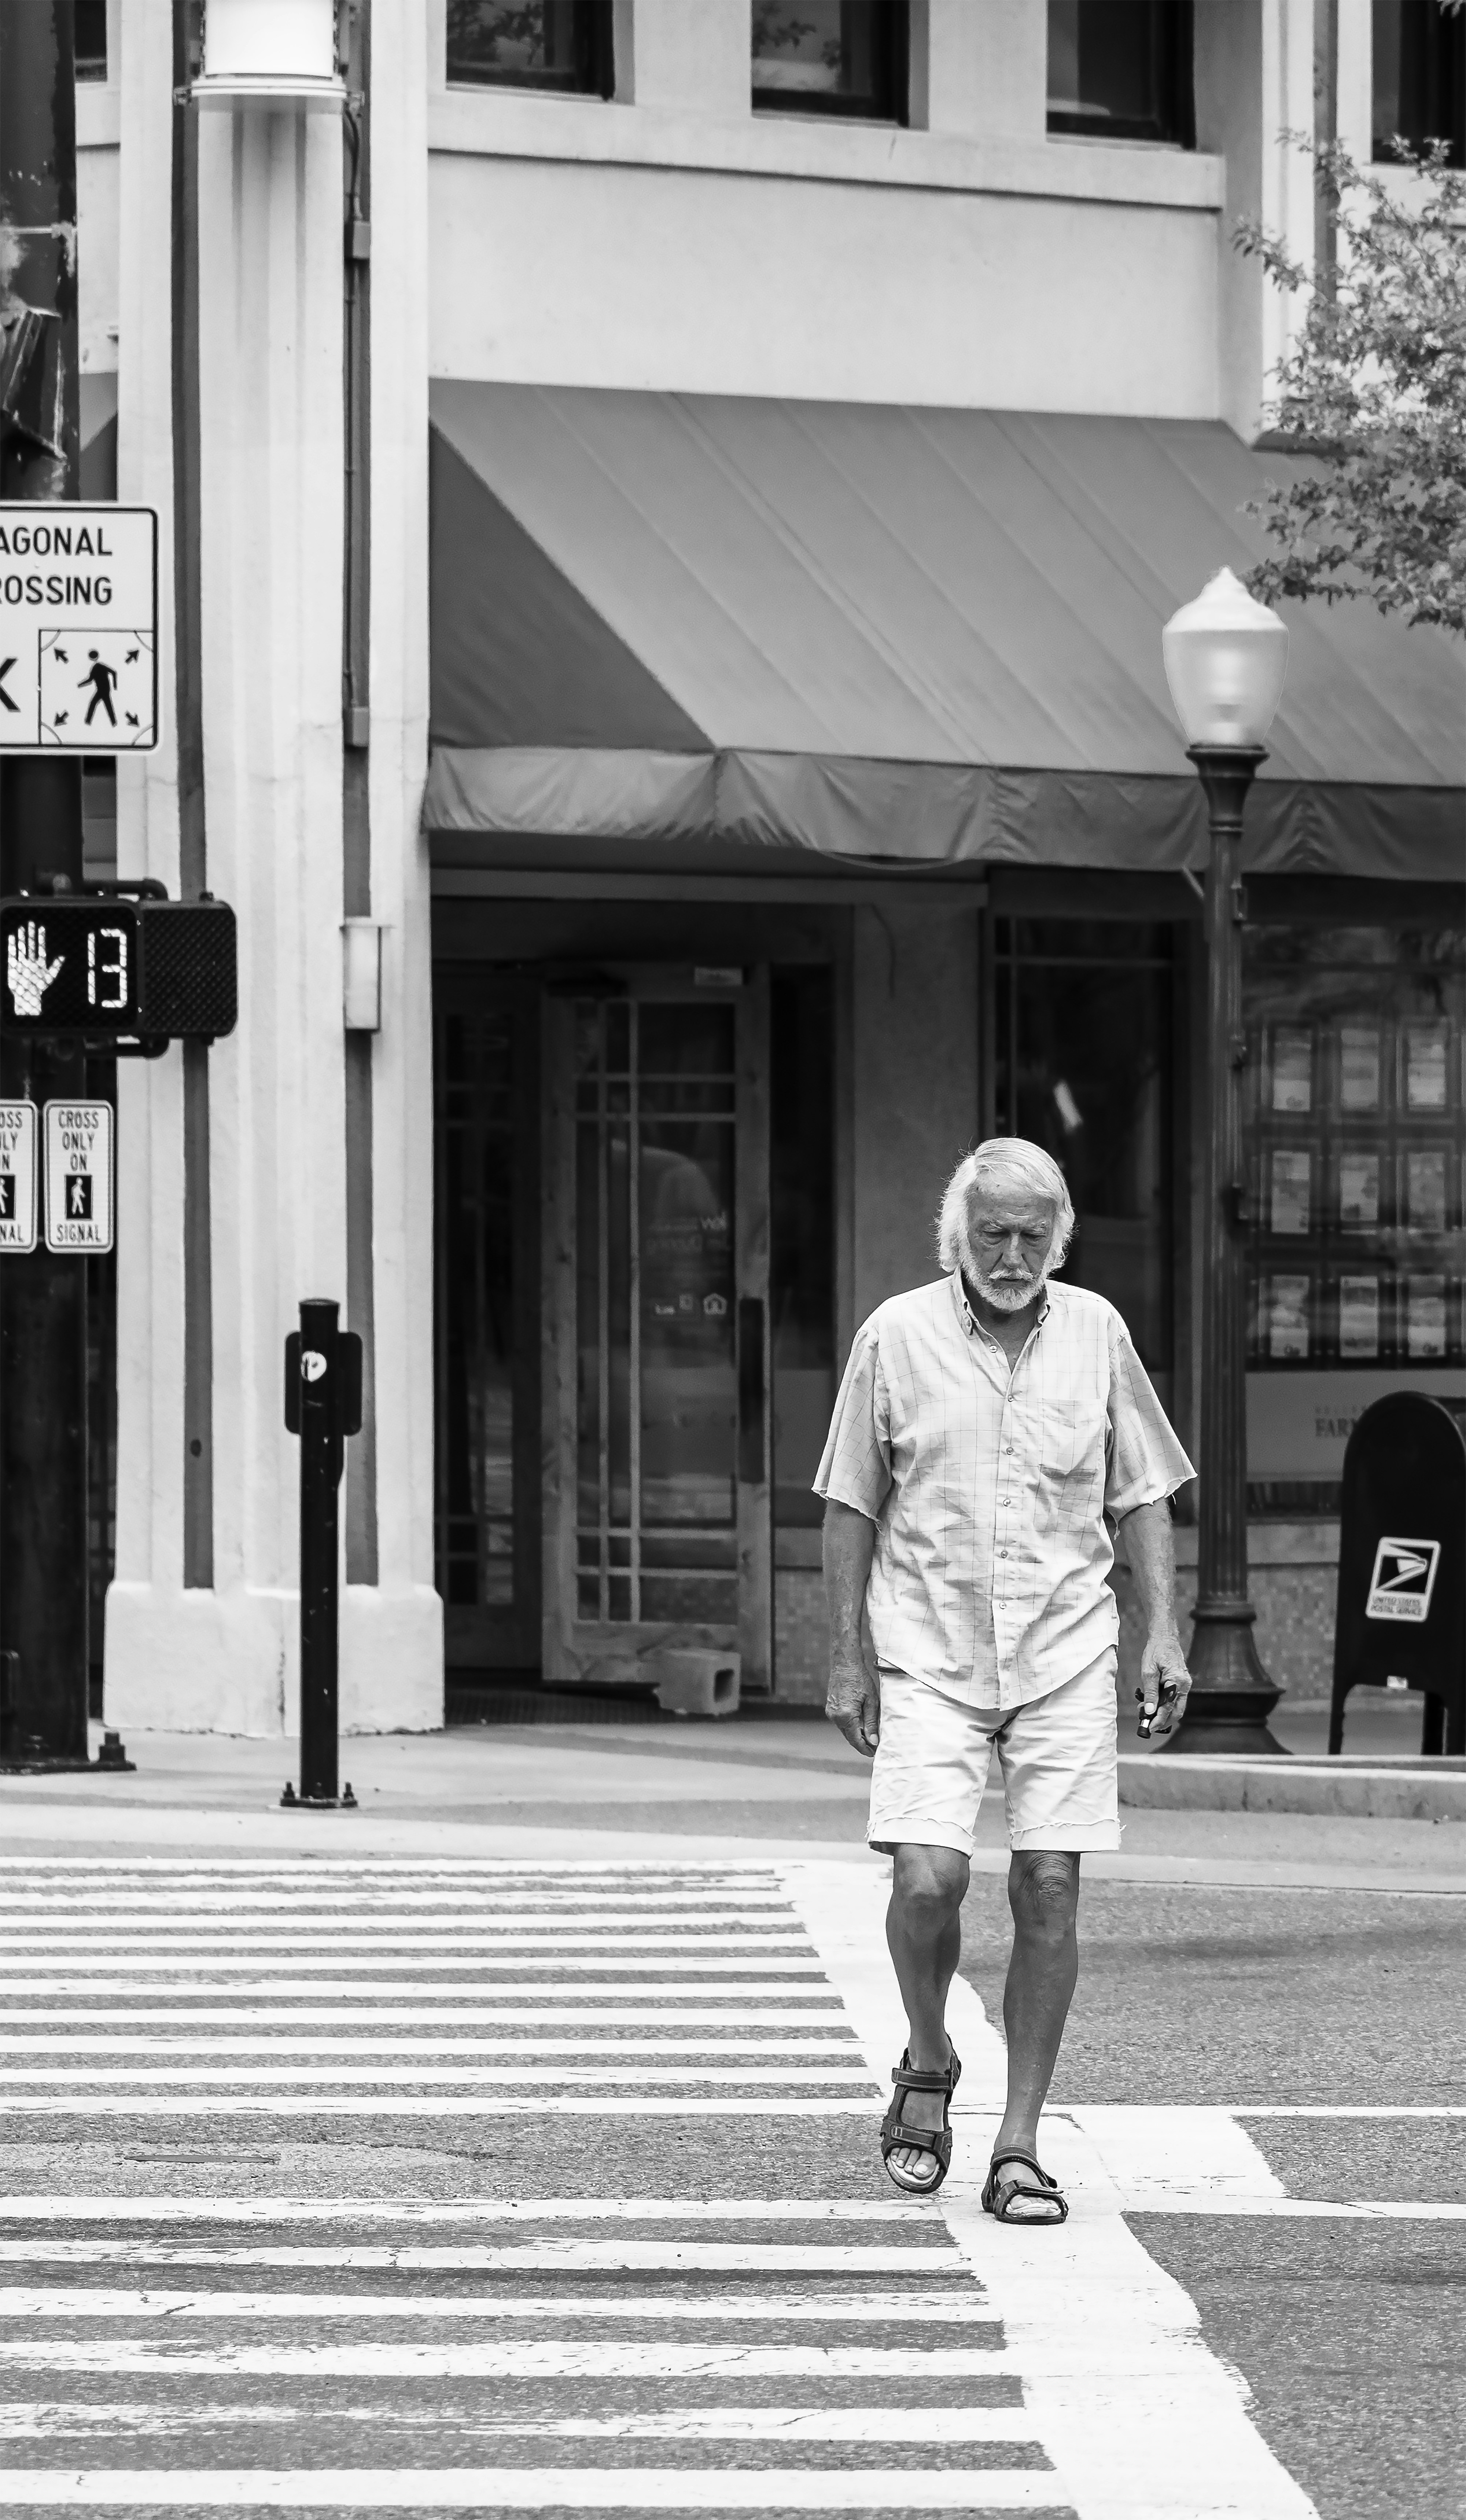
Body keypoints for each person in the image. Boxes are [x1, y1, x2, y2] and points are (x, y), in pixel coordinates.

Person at [816, 1136, 1195, 2217]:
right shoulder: (895, 1334)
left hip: (1066, 1646)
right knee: (929, 1878)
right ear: (958, 1235)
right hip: (928, 1647)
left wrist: (1160, 1631)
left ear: (1060, 1238)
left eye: (1035, 1235)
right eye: (995, 1234)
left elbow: (1144, 1495)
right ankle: (929, 2059)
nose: (1015, 1254)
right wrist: (846, 1654)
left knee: (1050, 1885)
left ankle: (1020, 2143)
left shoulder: (1097, 1333)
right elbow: (850, 1500)